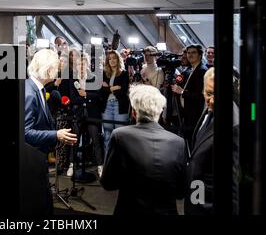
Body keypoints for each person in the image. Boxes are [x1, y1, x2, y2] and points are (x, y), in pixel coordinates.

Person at [100, 84, 187, 215]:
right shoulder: (178, 142)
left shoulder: (120, 136)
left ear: (134, 112)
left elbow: (108, 183)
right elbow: (181, 192)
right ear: (160, 111)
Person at [25, 49, 77, 214]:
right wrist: (56, 134)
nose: (58, 71)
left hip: (37, 156)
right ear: (48, 69)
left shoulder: (37, 88)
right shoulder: (29, 92)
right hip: (30, 158)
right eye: (56, 67)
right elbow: (25, 132)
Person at [184, 67, 239, 214]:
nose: (212, 100)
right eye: (208, 93)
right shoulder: (209, 109)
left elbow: (233, 185)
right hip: (198, 197)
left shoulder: (233, 127)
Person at [67, 53, 104, 177]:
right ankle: (71, 164)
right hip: (78, 113)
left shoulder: (94, 77)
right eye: (78, 64)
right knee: (74, 140)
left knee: (96, 140)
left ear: (87, 64)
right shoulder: (73, 79)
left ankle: (100, 166)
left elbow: (98, 95)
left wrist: (86, 95)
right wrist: (87, 98)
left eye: (83, 64)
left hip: (92, 113)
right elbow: (73, 98)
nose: (80, 66)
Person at [171, 44, 208, 146]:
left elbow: (200, 96)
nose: (190, 55)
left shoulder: (202, 71)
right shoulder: (189, 70)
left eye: (193, 52)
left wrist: (182, 92)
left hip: (195, 114)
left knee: (192, 143)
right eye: (188, 53)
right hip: (186, 114)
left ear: (200, 55)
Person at [101, 50, 129, 153]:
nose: (112, 61)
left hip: (119, 106)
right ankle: (108, 163)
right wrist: (114, 87)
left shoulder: (124, 73)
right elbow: (101, 91)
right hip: (107, 106)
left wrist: (107, 88)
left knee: (120, 135)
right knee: (107, 135)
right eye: (109, 59)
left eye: (114, 58)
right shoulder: (104, 74)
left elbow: (123, 90)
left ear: (118, 59)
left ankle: (121, 164)